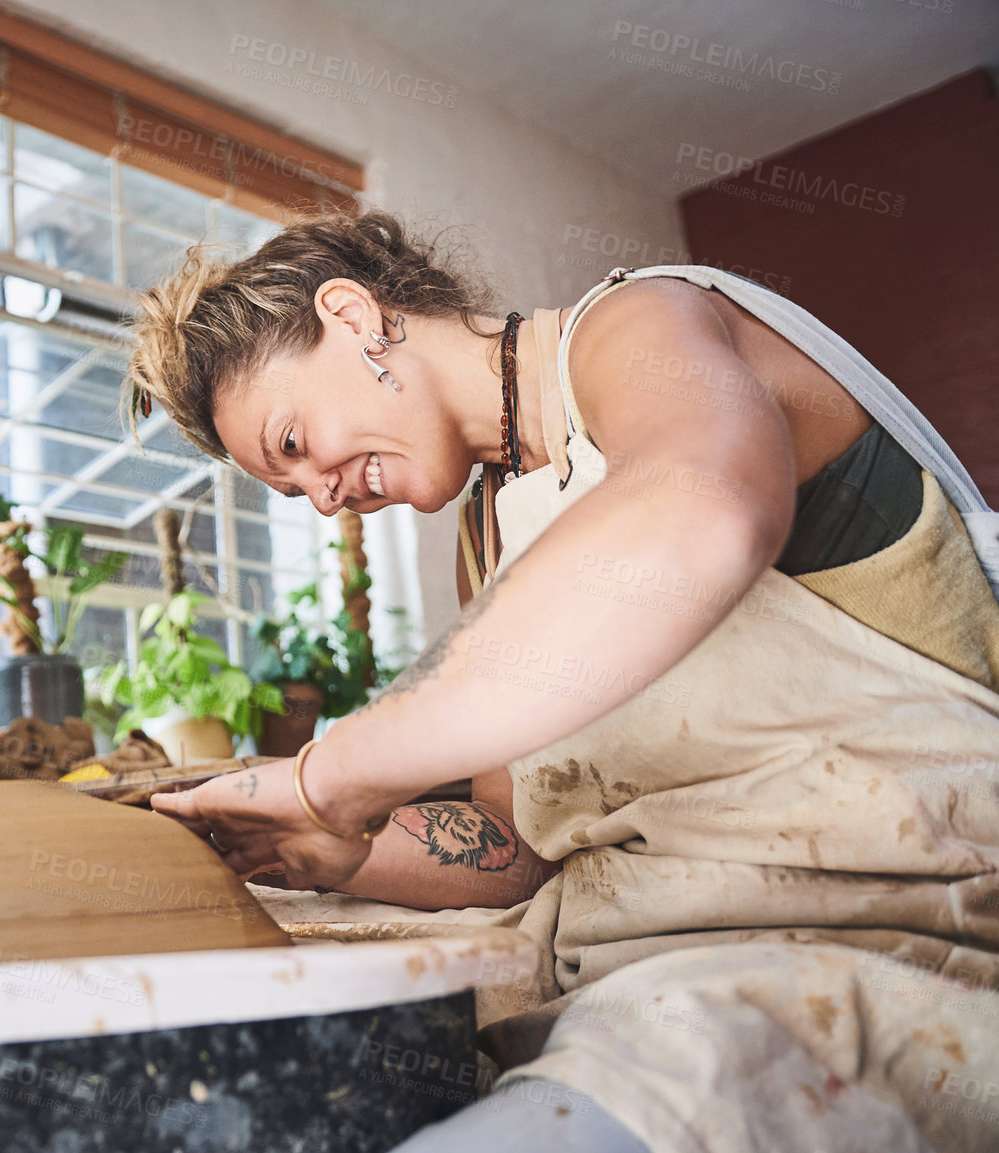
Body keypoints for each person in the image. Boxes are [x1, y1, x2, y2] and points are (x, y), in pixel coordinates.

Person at [127, 211, 999, 1152]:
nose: (324, 495)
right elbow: (514, 842)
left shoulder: (639, 326)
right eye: (292, 491)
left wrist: (332, 777)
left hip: (881, 946)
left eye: (293, 441)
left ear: (352, 316)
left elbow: (701, 513)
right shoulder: (488, 534)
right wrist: (315, 839)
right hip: (637, 976)